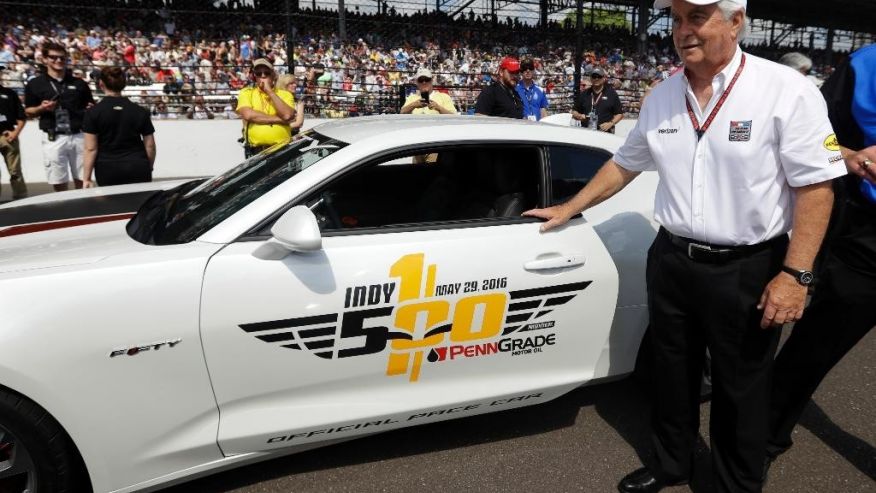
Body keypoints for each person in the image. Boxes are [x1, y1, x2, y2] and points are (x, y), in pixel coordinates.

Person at [522, 1, 845, 491]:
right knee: (672, 374)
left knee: (741, 388)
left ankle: (736, 482)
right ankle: (672, 462)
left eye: (697, 17)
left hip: (747, 266)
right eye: (675, 19)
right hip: (672, 258)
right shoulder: (662, 94)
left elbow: (817, 188)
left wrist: (796, 274)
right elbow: (625, 163)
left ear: (736, 22)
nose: (681, 30)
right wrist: (570, 207)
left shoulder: (786, 91)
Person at [765, 43, 876, 478]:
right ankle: (763, 442)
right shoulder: (865, 64)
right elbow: (817, 136)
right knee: (810, 350)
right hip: (867, 242)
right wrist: (848, 156)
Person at [24, 41, 94, 191]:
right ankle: (66, 212)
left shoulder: (79, 83)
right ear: (44, 59)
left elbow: (91, 106)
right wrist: (41, 108)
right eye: (53, 57)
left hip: (79, 135)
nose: (58, 61)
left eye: (62, 58)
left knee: (84, 179)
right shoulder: (35, 84)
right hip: (53, 137)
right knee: (58, 180)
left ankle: (85, 210)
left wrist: (91, 109)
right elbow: (28, 111)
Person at [81, 66, 156, 187]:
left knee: (112, 206)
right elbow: (150, 146)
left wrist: (87, 178)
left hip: (107, 168)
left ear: (101, 84)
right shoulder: (140, 111)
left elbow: (90, 149)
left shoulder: (93, 113)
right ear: (124, 84)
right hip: (137, 165)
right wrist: (149, 167)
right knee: (139, 205)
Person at [236, 58, 295, 158]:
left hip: (282, 150)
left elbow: (287, 115)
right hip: (257, 151)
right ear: (255, 77)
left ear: (273, 75)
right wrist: (280, 119)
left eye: (266, 73)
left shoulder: (285, 95)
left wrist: (270, 92)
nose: (263, 76)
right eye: (258, 73)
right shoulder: (246, 92)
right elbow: (248, 115)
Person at [0, 64, 26, 200]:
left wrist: (15, 132)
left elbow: (21, 117)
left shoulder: (10, 94)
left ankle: (21, 198)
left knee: (15, 171)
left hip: (8, 135)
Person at [571, 68, 623, 133]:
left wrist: (610, 123)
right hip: (586, 132)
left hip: (605, 132)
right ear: (590, 78)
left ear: (604, 78)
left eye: (599, 76)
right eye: (594, 76)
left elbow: (619, 114)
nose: (596, 79)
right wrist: (578, 116)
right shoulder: (584, 94)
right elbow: (574, 110)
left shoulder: (611, 93)